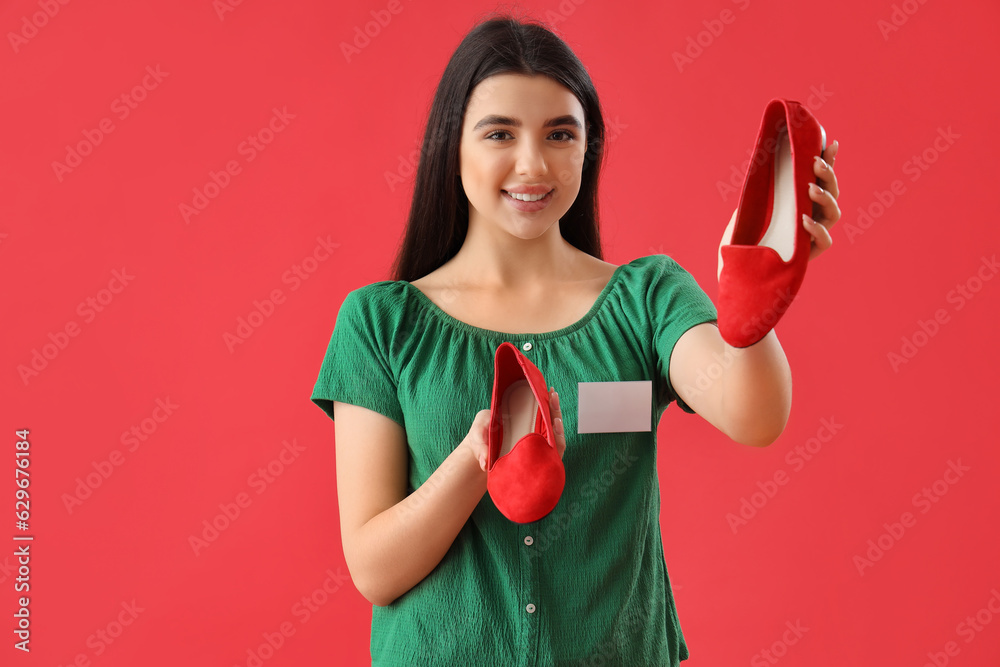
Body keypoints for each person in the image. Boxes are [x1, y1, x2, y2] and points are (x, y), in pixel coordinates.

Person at [310, 13, 841, 666]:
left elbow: (754, 415)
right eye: (499, 132)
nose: (533, 163)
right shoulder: (381, 323)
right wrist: (477, 459)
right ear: (453, 144)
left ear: (589, 148)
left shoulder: (646, 299)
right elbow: (374, 569)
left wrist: (750, 300)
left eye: (561, 134)